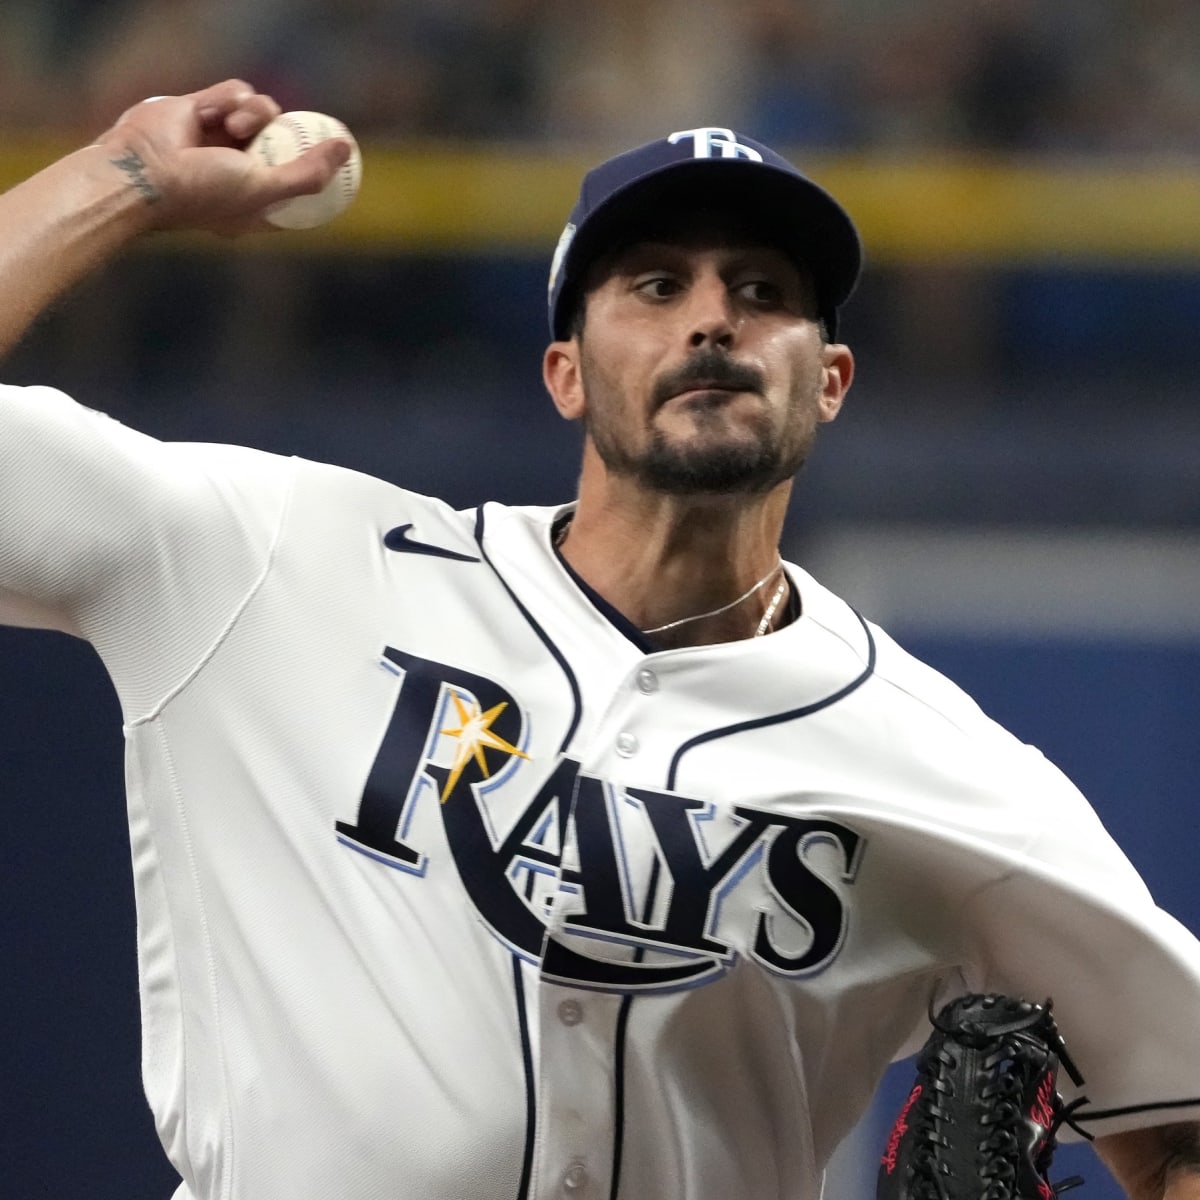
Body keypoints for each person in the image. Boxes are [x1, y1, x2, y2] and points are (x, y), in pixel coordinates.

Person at [0, 79, 1198, 1200]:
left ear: (829, 380)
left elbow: (1179, 1123)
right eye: (657, 285)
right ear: (565, 373)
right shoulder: (272, 561)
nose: (715, 320)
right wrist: (124, 175)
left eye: (764, 291)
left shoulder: (948, 770)